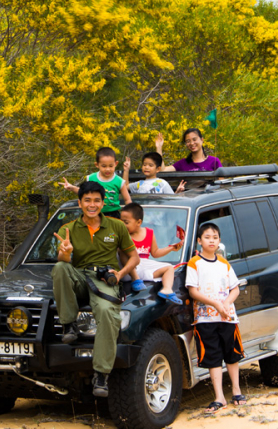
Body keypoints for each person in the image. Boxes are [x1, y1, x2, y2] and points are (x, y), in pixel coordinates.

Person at [52, 181, 140, 398]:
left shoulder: (116, 226)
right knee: (60, 267)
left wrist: (120, 273)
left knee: (108, 313)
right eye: (87, 200)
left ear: (103, 203)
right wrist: (66, 251)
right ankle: (68, 326)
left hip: (104, 280)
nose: (92, 205)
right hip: (79, 275)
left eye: (96, 200)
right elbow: (63, 260)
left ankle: (101, 374)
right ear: (80, 202)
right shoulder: (68, 229)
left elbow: (134, 257)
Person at [186, 223, 247, 413]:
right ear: (199, 241)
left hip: (227, 318)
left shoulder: (224, 263)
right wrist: (215, 305)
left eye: (214, 237)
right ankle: (219, 396)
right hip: (205, 319)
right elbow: (193, 291)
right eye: (207, 237)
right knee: (213, 356)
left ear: (219, 240)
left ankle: (236, 391)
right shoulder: (194, 263)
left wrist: (226, 304)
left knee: (231, 354)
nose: (211, 240)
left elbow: (235, 288)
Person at [118, 203, 183, 302]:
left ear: (139, 222)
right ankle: (135, 279)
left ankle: (167, 289)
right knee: (122, 250)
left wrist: (170, 248)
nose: (122, 225)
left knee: (169, 268)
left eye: (126, 222)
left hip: (143, 269)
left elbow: (155, 253)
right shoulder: (123, 235)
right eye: (121, 222)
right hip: (128, 270)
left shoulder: (149, 233)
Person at [61, 147, 131, 219]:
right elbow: (84, 192)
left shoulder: (119, 181)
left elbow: (127, 199)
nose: (107, 169)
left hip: (113, 215)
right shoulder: (91, 178)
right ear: (97, 165)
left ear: (116, 164)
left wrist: (130, 214)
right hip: (94, 213)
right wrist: (72, 188)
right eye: (104, 166)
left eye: (111, 166)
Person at [157, 129, 223, 172]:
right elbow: (163, 170)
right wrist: (159, 147)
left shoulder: (214, 161)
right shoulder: (182, 163)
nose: (191, 143)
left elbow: (221, 184)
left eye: (194, 139)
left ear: (202, 140)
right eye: (188, 141)